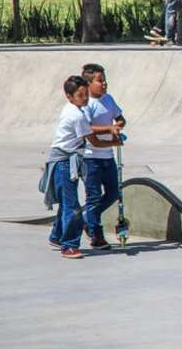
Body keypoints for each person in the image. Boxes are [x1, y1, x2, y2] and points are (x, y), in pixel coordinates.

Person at [42, 76, 120, 259]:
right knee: (72, 206)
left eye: (86, 95)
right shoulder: (77, 115)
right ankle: (69, 246)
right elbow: (94, 141)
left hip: (66, 159)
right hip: (64, 163)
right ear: (69, 96)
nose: (84, 98)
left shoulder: (72, 108)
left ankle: (56, 236)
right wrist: (115, 141)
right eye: (80, 95)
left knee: (66, 202)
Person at [81, 63, 126, 250]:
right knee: (93, 197)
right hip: (90, 158)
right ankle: (96, 235)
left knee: (114, 192)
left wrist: (119, 125)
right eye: (100, 81)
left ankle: (86, 218)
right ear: (89, 84)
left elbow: (121, 118)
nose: (104, 84)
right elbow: (88, 130)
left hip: (108, 157)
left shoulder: (108, 99)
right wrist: (110, 130)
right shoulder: (86, 105)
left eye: (105, 80)